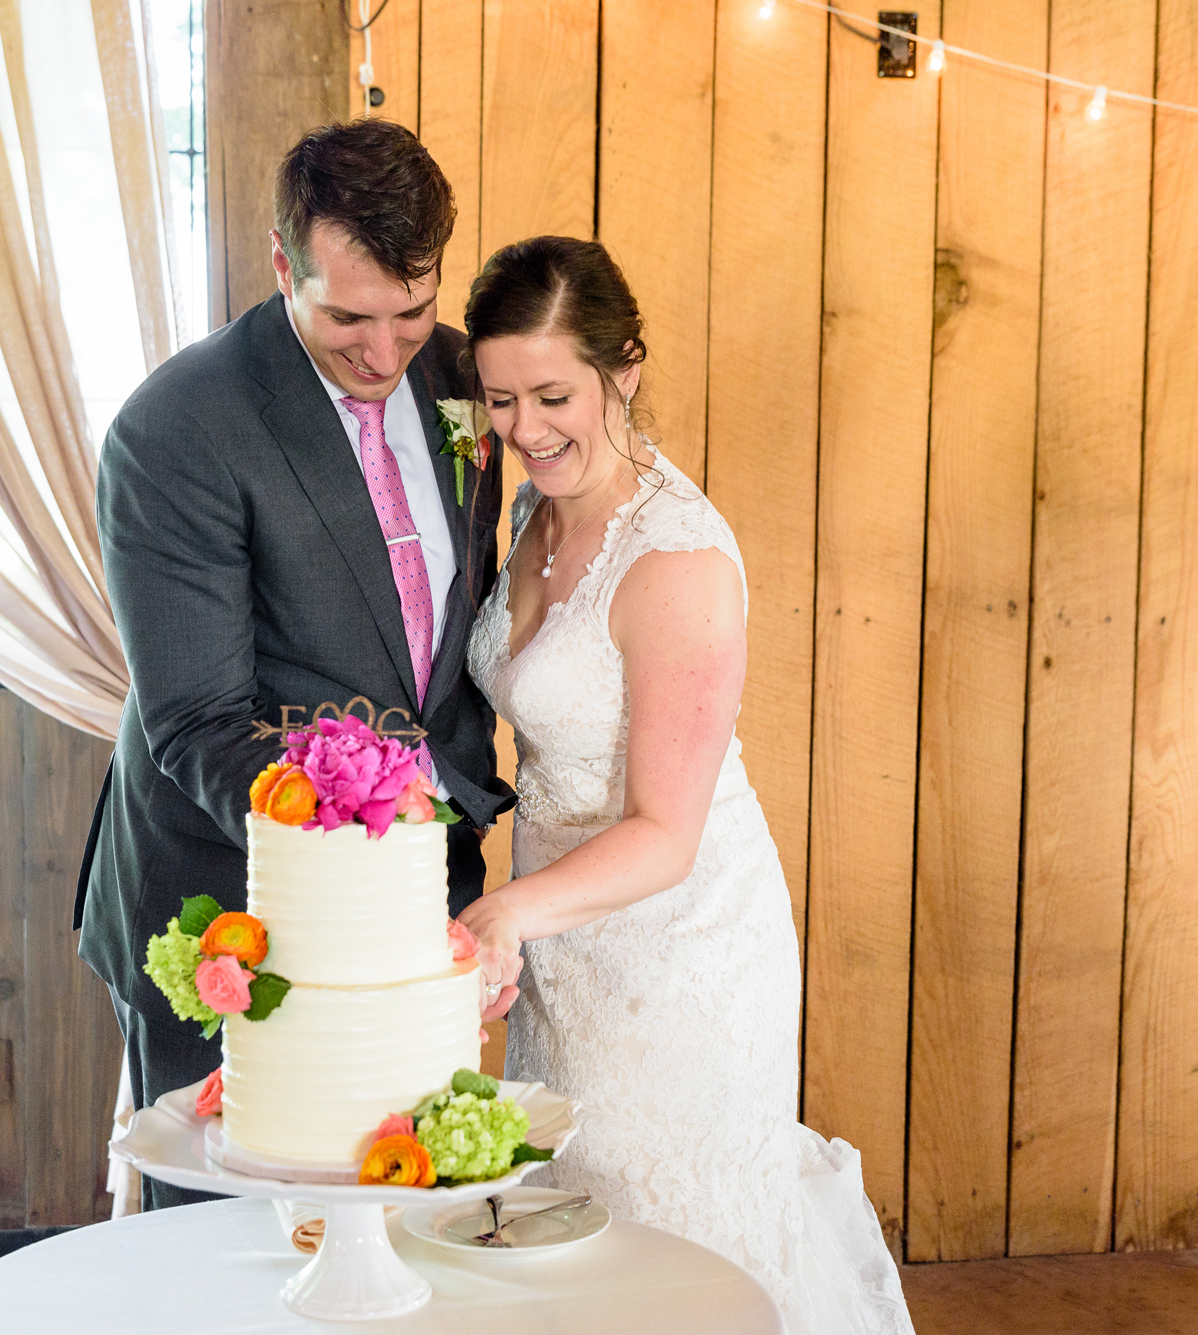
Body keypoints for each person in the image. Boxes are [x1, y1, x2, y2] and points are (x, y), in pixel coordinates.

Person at [457, 236, 916, 1332]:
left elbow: (665, 833)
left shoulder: (678, 560)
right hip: (564, 941)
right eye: (500, 399)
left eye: (554, 394)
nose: (525, 430)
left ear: (624, 368)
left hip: (679, 951)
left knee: (668, 1249)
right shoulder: (532, 511)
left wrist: (502, 912)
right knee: (563, 1236)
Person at [76, 119, 512, 1210]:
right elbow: (200, 723)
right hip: (230, 904)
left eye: (410, 313)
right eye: (347, 318)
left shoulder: (457, 378)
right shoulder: (177, 429)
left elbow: (449, 611)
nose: (384, 352)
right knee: (230, 1254)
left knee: (399, 1225)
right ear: (283, 268)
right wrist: (368, 851)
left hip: (415, 910)